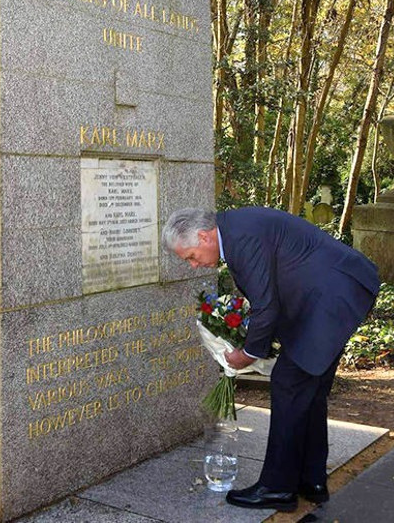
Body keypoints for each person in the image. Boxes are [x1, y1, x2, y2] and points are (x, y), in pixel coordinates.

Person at [162, 206, 380, 512]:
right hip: (337, 291)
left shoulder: (239, 238)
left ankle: (277, 489)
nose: (194, 265)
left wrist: (248, 353)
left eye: (191, 257)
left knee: (289, 384)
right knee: (309, 388)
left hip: (330, 297)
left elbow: (266, 304)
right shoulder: (235, 229)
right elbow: (273, 290)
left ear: (203, 236)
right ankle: (310, 479)